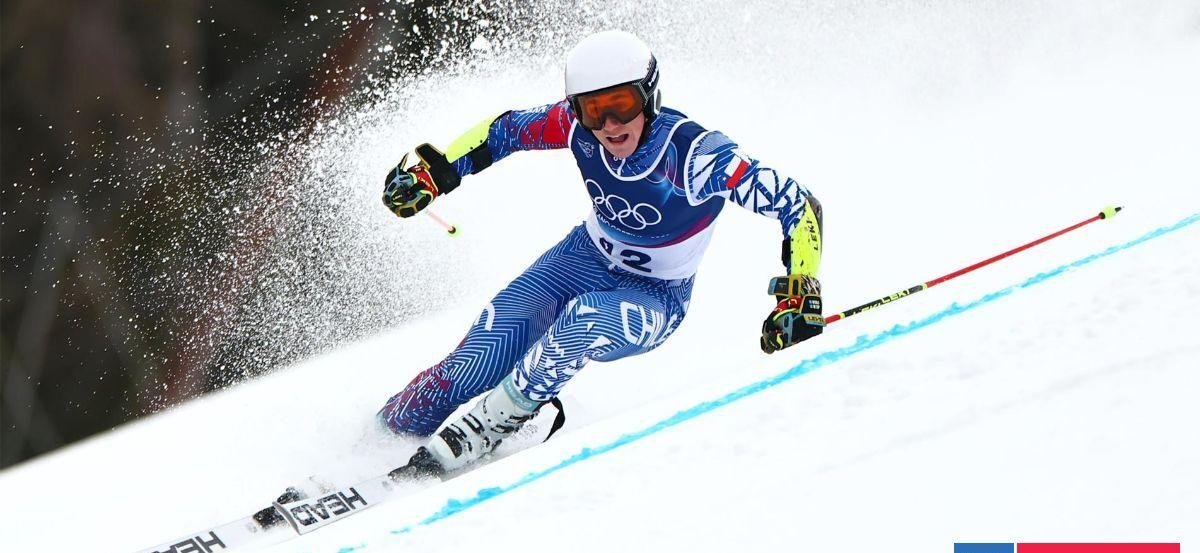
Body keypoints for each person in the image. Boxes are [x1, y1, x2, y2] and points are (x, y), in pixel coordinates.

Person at [377, 30, 825, 476]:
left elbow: (799, 206)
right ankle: (378, 439)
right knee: (473, 364)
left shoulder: (695, 155)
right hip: (580, 260)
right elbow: (504, 131)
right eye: (594, 109)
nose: (610, 125)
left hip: (657, 295)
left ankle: (491, 425)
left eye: (622, 105)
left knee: (585, 320)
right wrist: (435, 172)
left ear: (649, 97)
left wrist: (799, 293)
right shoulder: (575, 127)